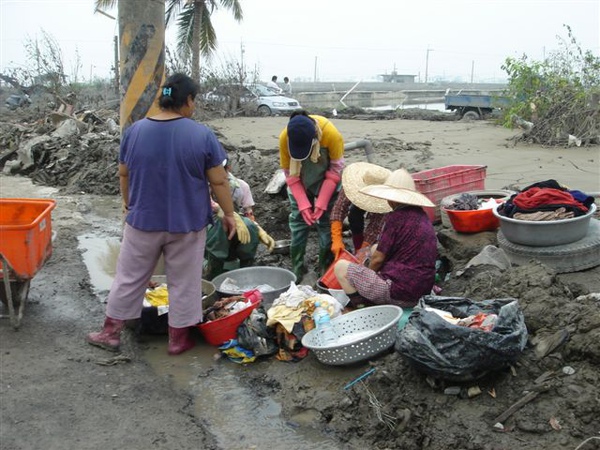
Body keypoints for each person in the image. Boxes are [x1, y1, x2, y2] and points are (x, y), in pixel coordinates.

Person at [87, 73, 236, 356]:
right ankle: (178, 340)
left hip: (143, 221)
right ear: (188, 100)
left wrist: (130, 205)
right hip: (187, 224)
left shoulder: (134, 131)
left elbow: (124, 174)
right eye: (194, 100)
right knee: (184, 281)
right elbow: (219, 181)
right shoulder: (201, 134)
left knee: (129, 277)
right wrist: (229, 213)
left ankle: (110, 332)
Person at [333, 168, 437, 310]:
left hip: (399, 293)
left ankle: (363, 307)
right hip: (422, 289)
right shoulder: (422, 216)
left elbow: (378, 259)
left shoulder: (396, 218)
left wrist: (368, 274)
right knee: (375, 248)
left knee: (340, 268)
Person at [279, 110, 345, 281]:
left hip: (327, 179)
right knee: (299, 221)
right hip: (299, 180)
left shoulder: (331, 134)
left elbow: (336, 169)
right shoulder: (285, 137)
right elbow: (289, 173)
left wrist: (322, 201)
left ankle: (325, 267)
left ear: (315, 138)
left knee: (326, 222)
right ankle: (297, 268)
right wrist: (303, 202)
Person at [204, 160, 275, 280]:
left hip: (235, 235)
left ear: (229, 168)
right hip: (210, 234)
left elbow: (249, 215)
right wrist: (224, 212)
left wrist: (259, 230)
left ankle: (245, 270)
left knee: (249, 226)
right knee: (221, 225)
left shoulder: (241, 187)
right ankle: (214, 271)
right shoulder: (203, 186)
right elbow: (205, 202)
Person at [330, 162, 391, 259]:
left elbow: (374, 227)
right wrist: (336, 238)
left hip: (385, 207)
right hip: (363, 193)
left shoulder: (386, 200)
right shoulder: (352, 183)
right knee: (354, 214)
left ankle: (363, 252)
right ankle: (357, 247)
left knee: (384, 234)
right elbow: (339, 208)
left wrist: (364, 250)